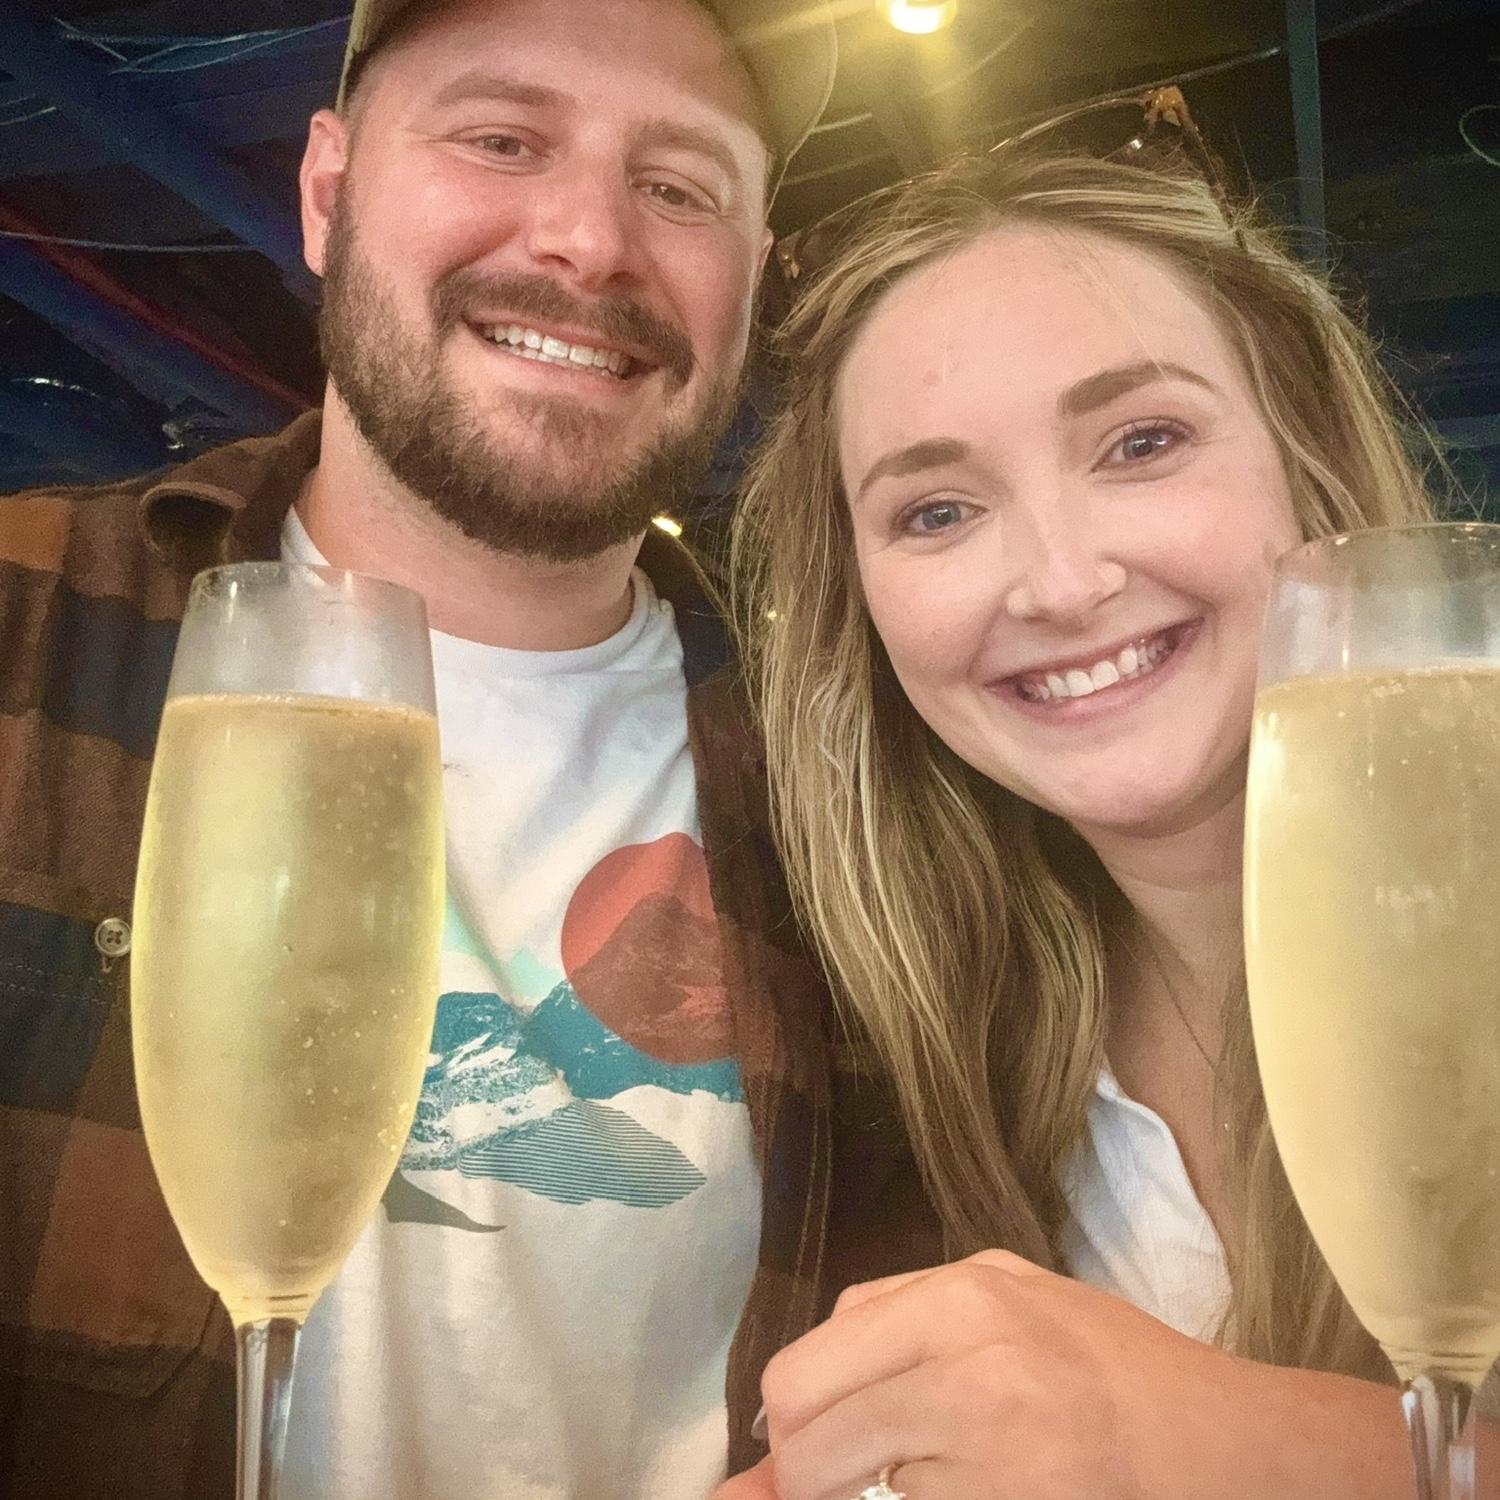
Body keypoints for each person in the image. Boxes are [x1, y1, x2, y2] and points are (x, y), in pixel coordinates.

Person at [0, 2, 946, 1496]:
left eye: (681, 186)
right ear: (328, 194)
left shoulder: (871, 788)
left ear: (755, 275)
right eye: (503, 139)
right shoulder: (24, 624)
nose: (590, 241)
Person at [719, 135, 1500, 1498]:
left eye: (1143, 443)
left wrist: (1220, 1441)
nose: (1063, 581)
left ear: (1304, 457)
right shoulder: (952, 1051)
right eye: (938, 511)